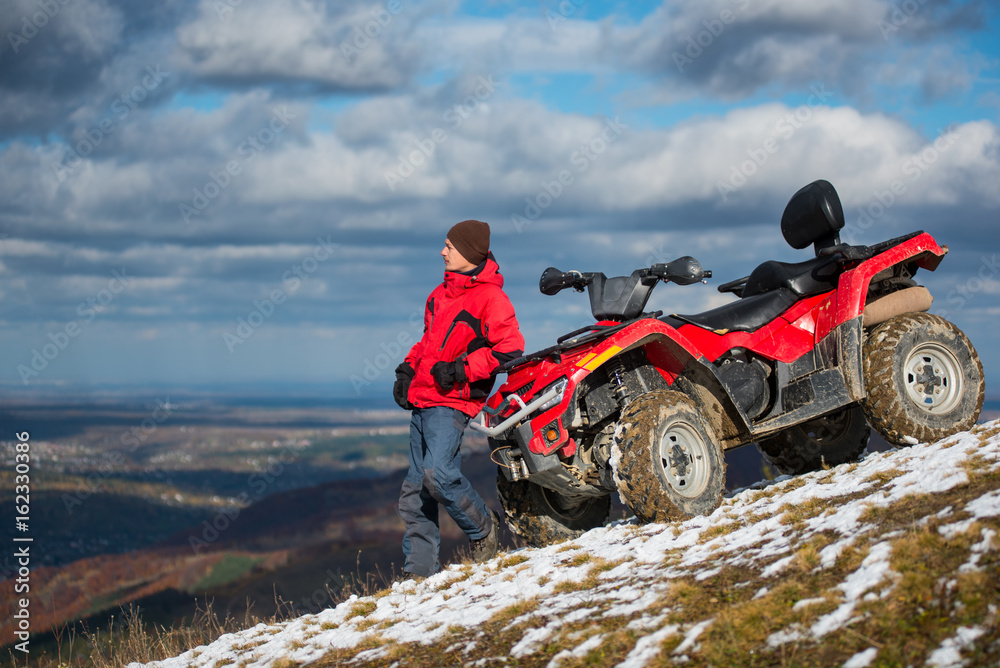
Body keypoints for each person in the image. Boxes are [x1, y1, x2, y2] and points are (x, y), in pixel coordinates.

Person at [393, 220, 524, 578]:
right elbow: (427, 344)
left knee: (439, 475)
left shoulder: (491, 298)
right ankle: (419, 575)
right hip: (422, 398)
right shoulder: (438, 295)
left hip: (451, 401)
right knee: (415, 491)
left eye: (449, 245)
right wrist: (407, 368)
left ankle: (484, 529)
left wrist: (461, 370)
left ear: (468, 252)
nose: (443, 251)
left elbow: (510, 351)